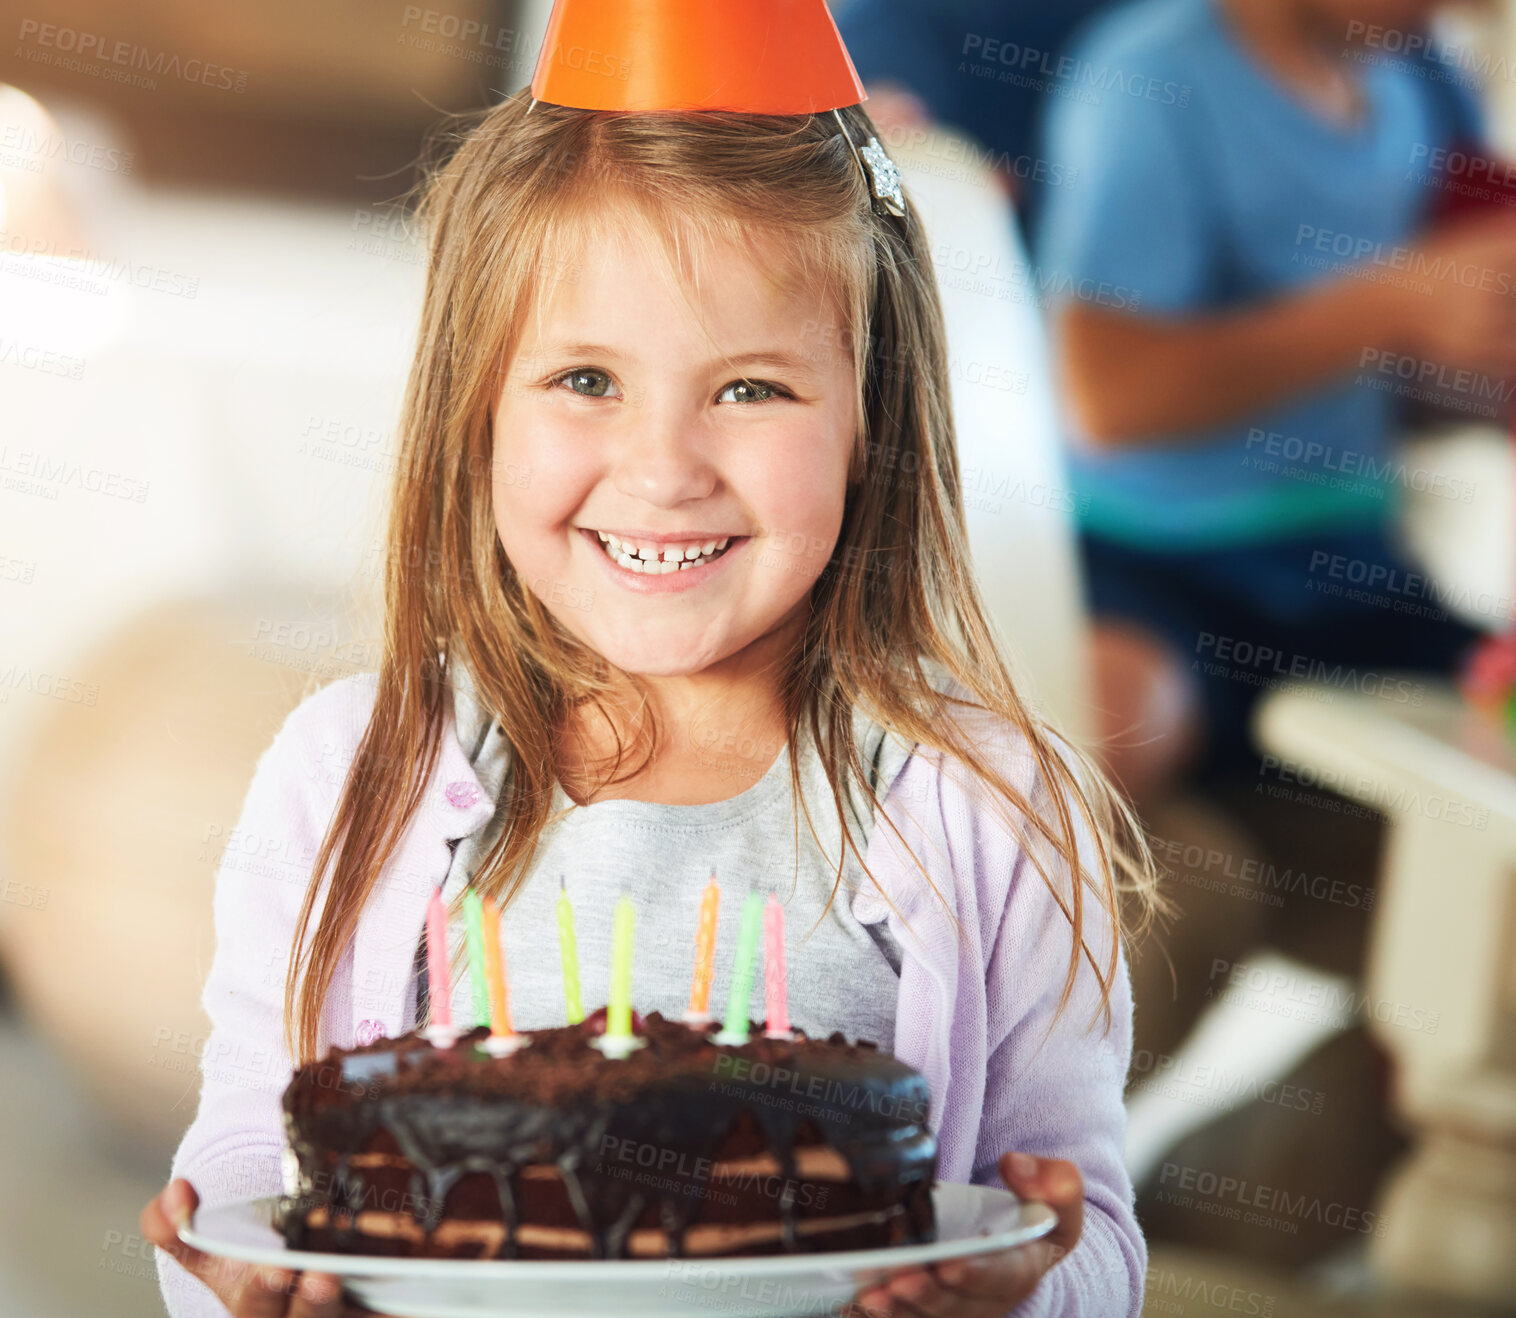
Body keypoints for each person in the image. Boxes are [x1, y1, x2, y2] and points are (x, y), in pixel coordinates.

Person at [137, 4, 1165, 1316]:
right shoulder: (345, 774)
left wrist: (1012, 1290)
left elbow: (1087, 1230)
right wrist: (232, 1283)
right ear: (476, 408)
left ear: (871, 419)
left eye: (751, 389)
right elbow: (241, 1159)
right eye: (584, 379)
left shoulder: (998, 809)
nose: (666, 470)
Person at [1034, 0, 1508, 811]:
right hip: (1155, 560)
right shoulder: (1153, 79)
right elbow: (1105, 400)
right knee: (1098, 741)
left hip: (1355, 565)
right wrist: (1393, 304)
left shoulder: (1419, 87)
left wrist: (1465, 356)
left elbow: (1392, 383)